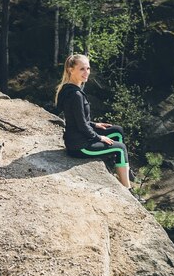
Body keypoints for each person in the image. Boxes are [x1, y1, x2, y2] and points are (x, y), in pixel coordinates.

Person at [55, 54, 133, 191]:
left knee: (117, 130)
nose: (87, 73)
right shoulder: (75, 95)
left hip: (77, 136)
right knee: (121, 148)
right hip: (79, 146)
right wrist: (99, 137)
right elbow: (81, 125)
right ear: (70, 70)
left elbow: (76, 119)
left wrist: (95, 125)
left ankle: (123, 168)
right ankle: (128, 189)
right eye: (82, 69)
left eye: (88, 68)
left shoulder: (68, 89)